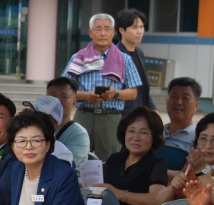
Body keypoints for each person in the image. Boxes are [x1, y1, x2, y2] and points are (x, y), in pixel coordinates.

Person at [62, 13, 142, 160]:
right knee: (76, 158)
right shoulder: (78, 57)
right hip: (84, 114)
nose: (103, 33)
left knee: (110, 161)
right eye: (98, 29)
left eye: (107, 29)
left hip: (110, 118)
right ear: (90, 33)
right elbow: (63, 90)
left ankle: (105, 185)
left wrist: (115, 94)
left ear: (113, 32)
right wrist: (86, 96)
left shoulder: (124, 59)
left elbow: (133, 92)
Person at [97, 107, 170, 205]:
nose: (136, 138)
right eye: (131, 131)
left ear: (154, 137)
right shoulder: (114, 159)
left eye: (144, 133)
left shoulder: (156, 164)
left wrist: (119, 194)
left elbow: (156, 200)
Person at [45, 77, 91, 170]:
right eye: (53, 97)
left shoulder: (78, 133)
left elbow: (63, 167)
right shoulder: (35, 127)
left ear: (74, 102)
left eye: (64, 97)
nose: (57, 102)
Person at [115, 9, 155, 114]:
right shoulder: (115, 55)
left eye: (141, 27)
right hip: (123, 113)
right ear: (122, 30)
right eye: (135, 27)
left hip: (141, 111)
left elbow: (143, 88)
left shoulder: (139, 53)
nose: (139, 31)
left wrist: (153, 109)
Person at [158, 78, 201, 175]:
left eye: (185, 98)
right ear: (166, 101)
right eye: (174, 96)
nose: (179, 102)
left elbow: (192, 176)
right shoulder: (155, 131)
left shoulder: (199, 138)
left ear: (196, 105)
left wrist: (150, 171)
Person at [21, 97, 79, 167]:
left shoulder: (61, 155)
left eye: (37, 117)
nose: (28, 120)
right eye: (28, 113)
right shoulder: (16, 144)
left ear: (54, 125)